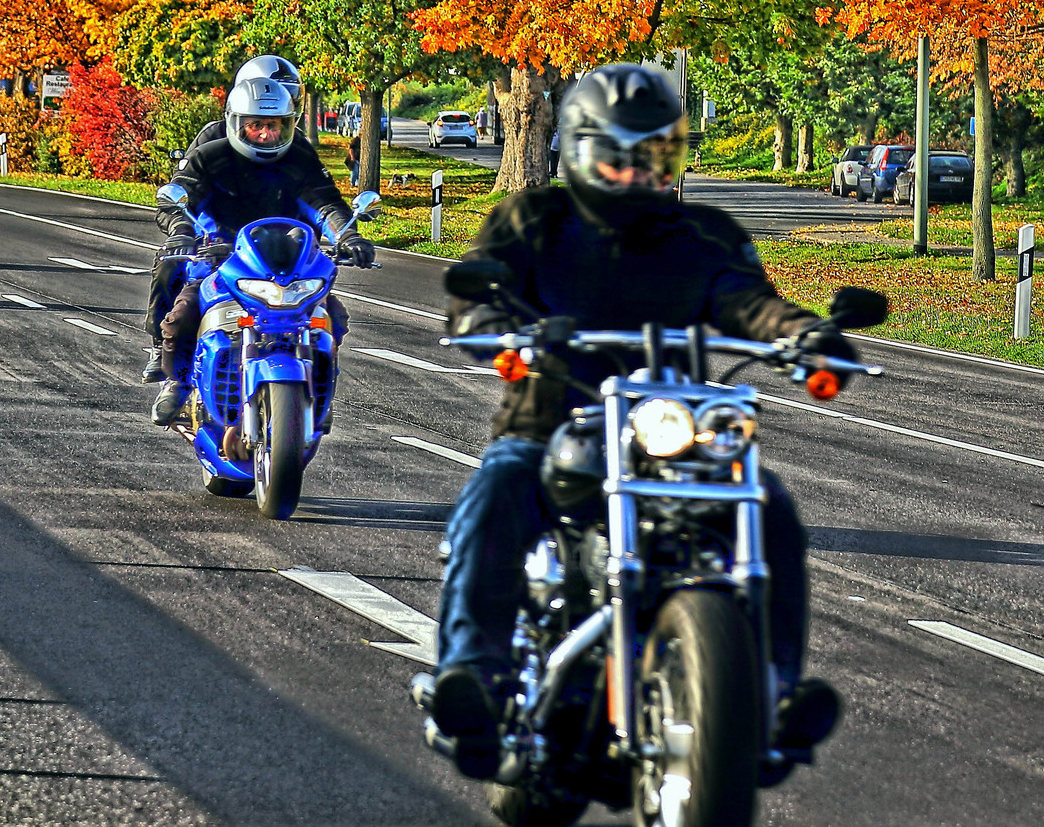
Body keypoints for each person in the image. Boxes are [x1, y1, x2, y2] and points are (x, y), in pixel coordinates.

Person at [425, 63, 849, 781]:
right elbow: (475, 298)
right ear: (577, 149)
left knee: (770, 505)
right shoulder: (533, 220)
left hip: (671, 437)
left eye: (651, 155)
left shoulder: (703, 235)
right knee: (496, 490)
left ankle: (772, 688)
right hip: (551, 425)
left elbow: (747, 302)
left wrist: (801, 334)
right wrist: (497, 324)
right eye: (616, 156)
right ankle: (473, 674)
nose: (633, 172)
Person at [150, 77, 374, 424]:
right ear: (237, 122)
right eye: (257, 126)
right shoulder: (210, 157)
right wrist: (182, 232)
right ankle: (178, 384)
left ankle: (315, 389)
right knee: (182, 317)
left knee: (334, 317)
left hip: (289, 263)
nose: (266, 135)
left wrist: (348, 236)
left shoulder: (300, 158)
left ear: (288, 124)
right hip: (222, 262)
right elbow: (180, 200)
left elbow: (325, 203)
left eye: (274, 125)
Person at [140, 54, 320, 383]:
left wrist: (327, 237)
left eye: (288, 94)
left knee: (330, 310)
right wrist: (186, 232)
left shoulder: (296, 146)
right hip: (217, 241)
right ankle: (163, 353)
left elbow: (314, 199)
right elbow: (186, 191)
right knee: (169, 266)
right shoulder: (213, 139)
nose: (281, 102)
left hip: (278, 249)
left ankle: (317, 375)